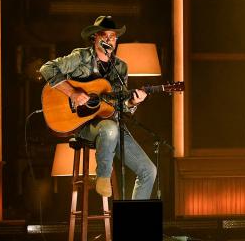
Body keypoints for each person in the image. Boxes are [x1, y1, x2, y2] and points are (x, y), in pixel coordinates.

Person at [39, 15, 157, 199]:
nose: (110, 40)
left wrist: (133, 102)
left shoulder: (121, 67)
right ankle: (102, 177)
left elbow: (119, 104)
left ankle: (135, 227)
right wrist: (73, 93)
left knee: (149, 170)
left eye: (113, 36)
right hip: (85, 125)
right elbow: (47, 68)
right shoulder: (81, 57)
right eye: (105, 36)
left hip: (112, 125)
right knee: (109, 128)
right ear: (95, 38)